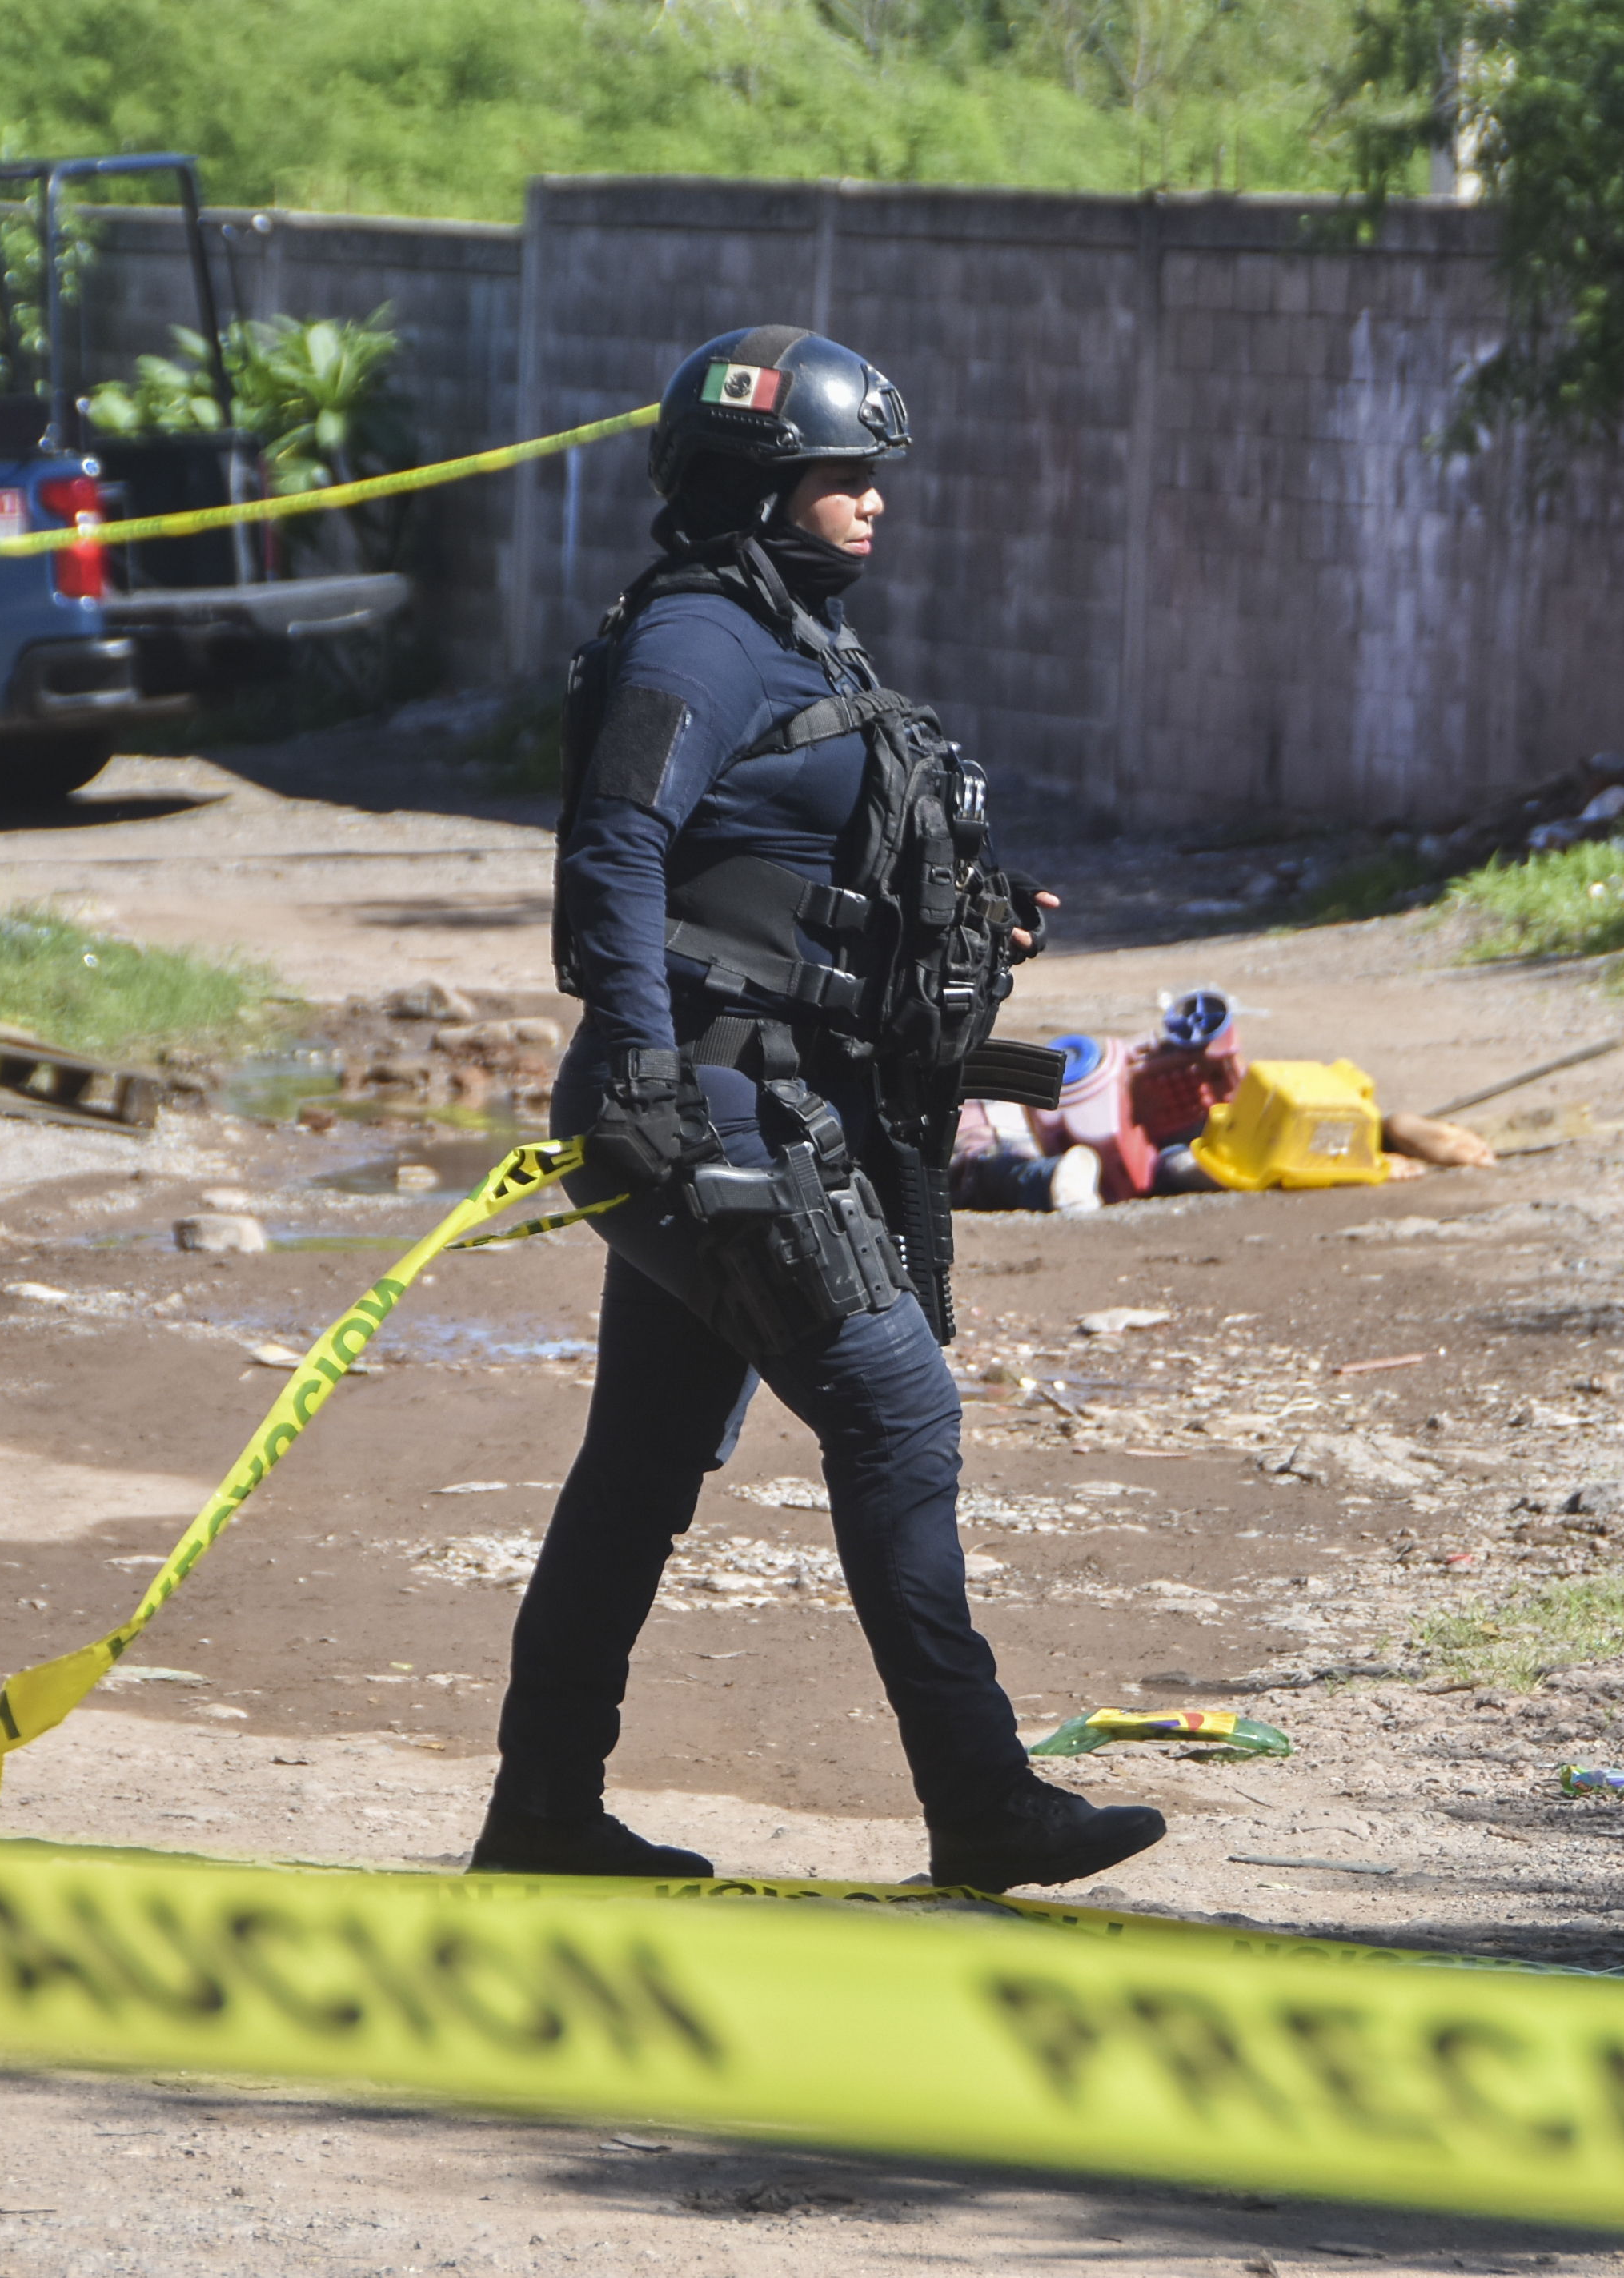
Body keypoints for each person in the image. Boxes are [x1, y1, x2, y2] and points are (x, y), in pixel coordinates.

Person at [468, 325, 1167, 1895]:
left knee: (641, 1461)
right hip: (709, 1115)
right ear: (757, 487)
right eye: (844, 477)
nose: (875, 503)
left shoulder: (798, 639)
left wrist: (973, 926)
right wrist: (650, 1076)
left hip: (763, 1099)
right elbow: (618, 855)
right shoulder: (695, 645)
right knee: (897, 1406)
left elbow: (794, 869)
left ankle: (541, 1813)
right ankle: (983, 1800)